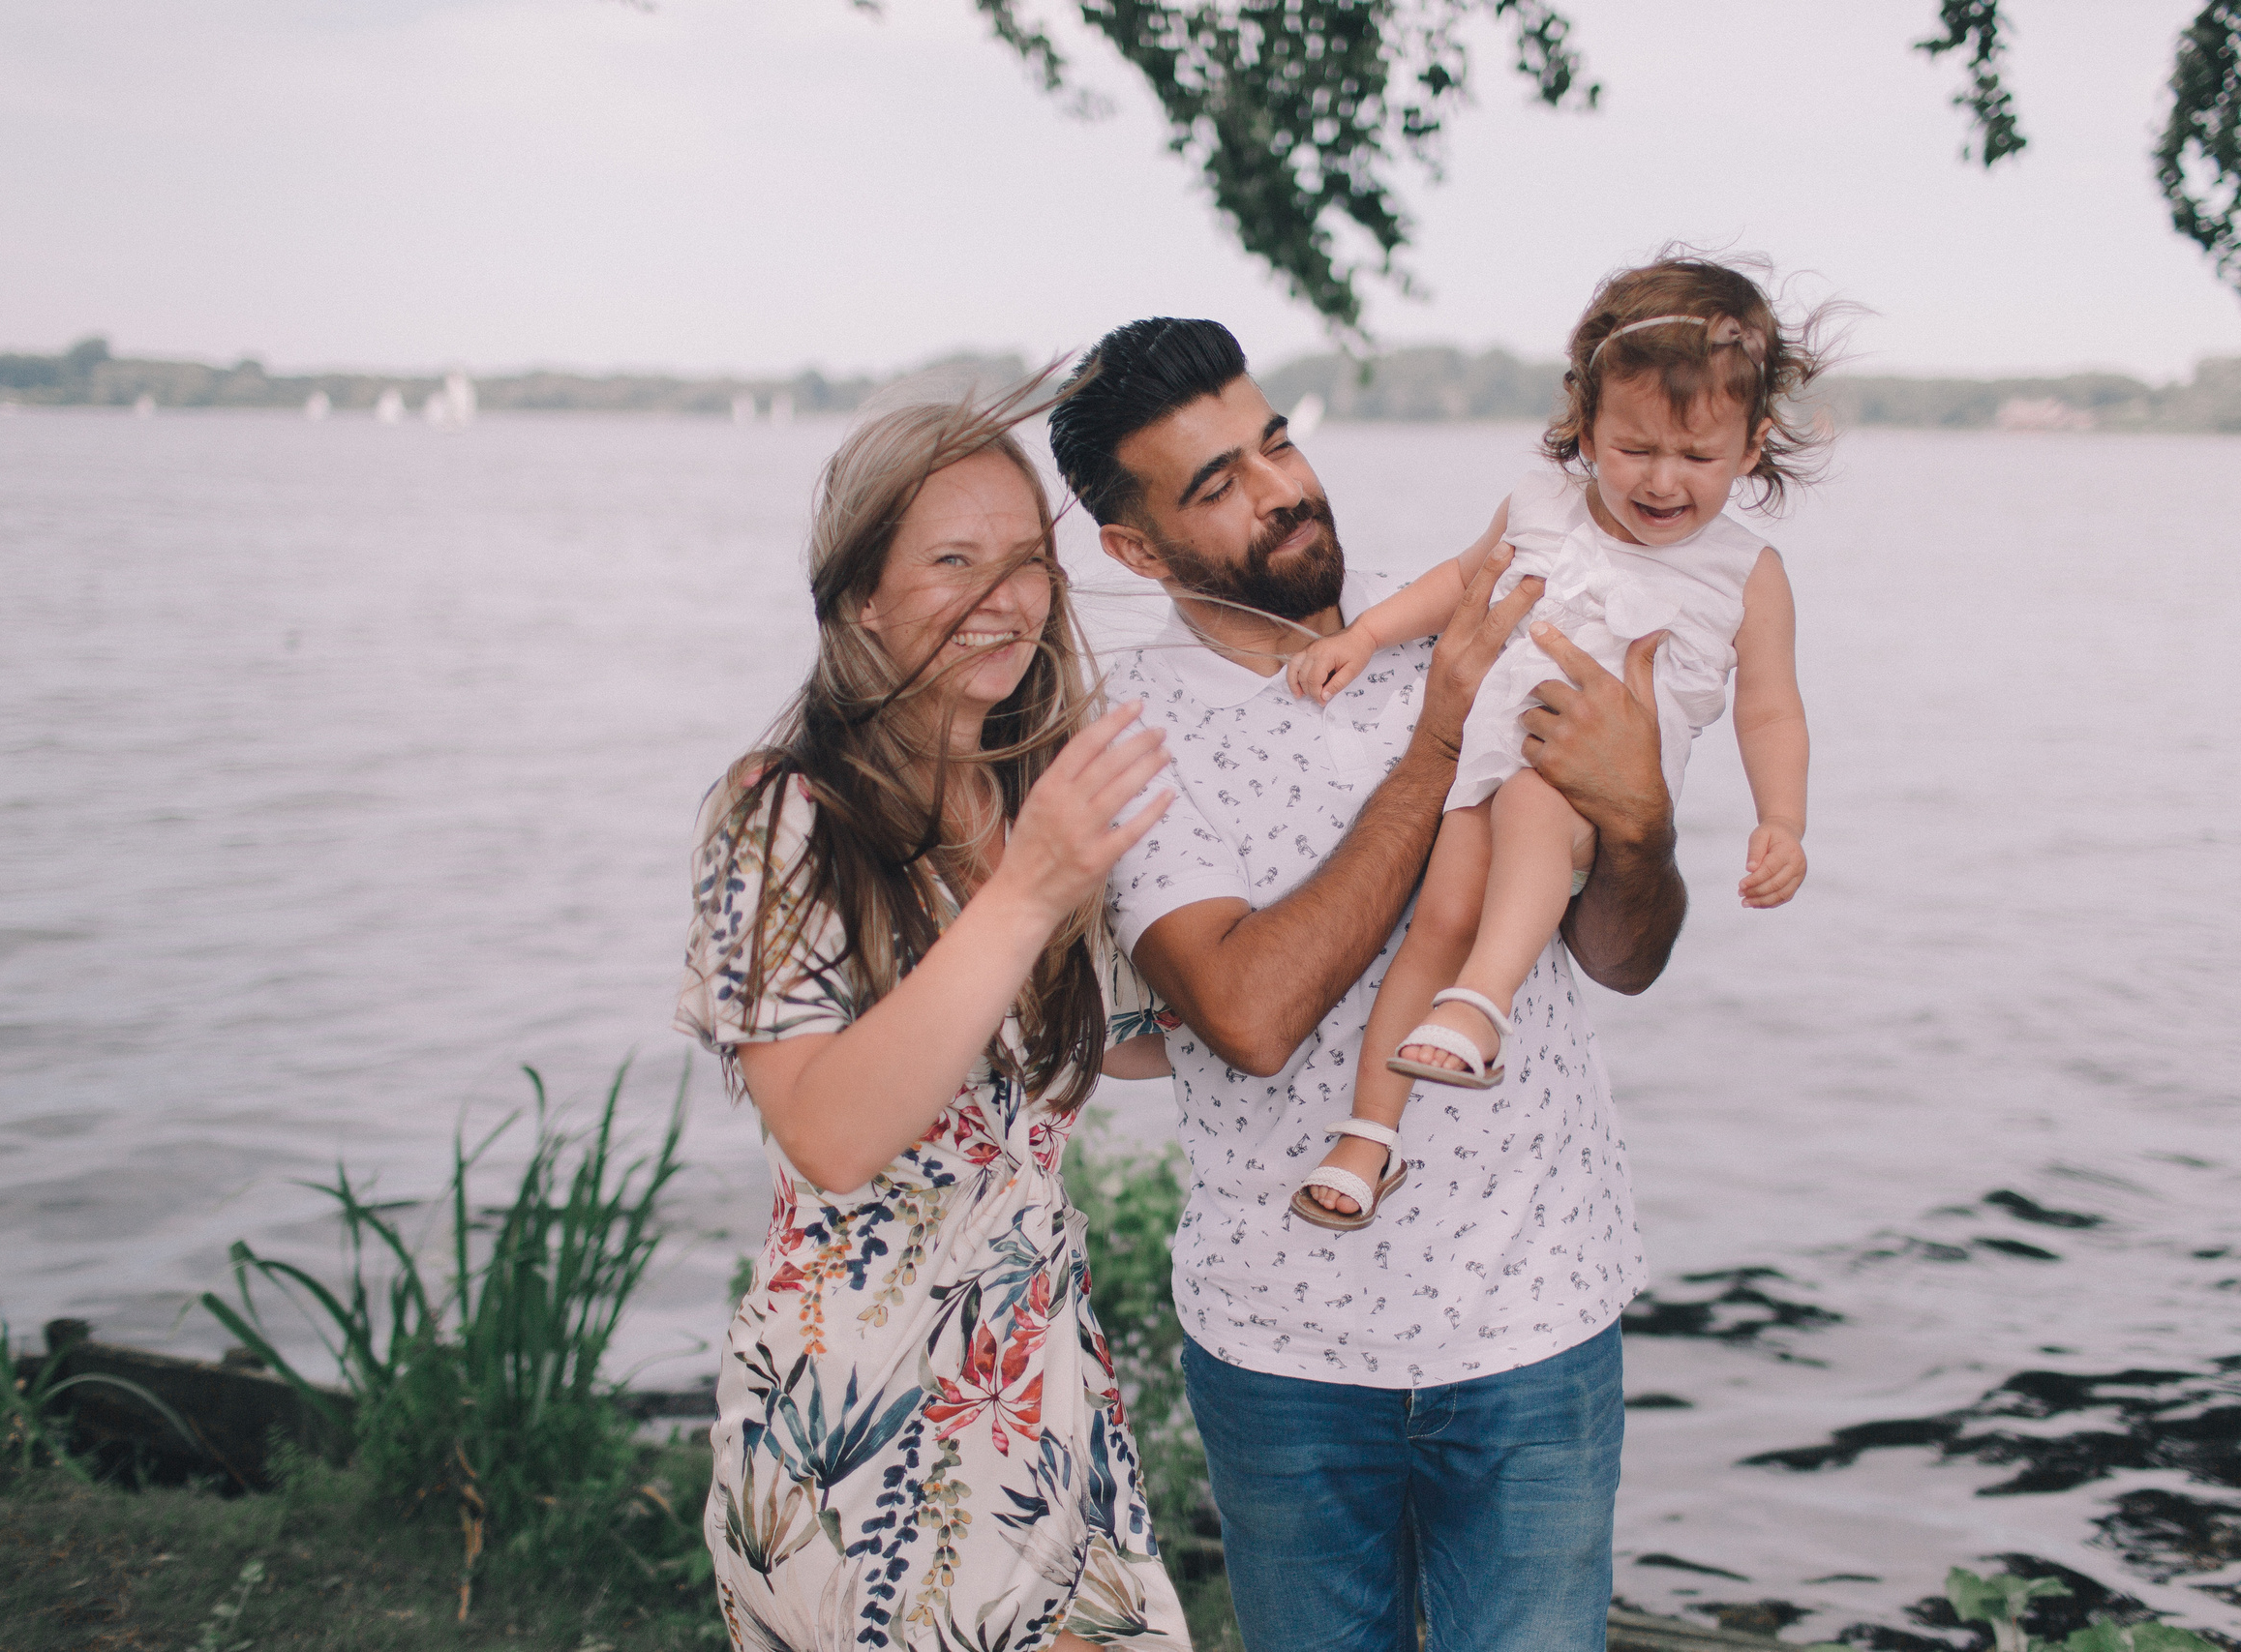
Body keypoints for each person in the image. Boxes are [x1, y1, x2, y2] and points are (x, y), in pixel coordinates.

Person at [1045, 317, 1688, 1652]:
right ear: (1134, 548)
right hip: (1288, 1352)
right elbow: (1251, 1011)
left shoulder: (1482, 612)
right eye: (1216, 483)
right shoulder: (1125, 740)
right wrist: (1441, 733)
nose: (1280, 488)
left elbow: (1621, 956)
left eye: (1274, 440)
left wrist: (1641, 827)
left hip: (1536, 1310)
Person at [675, 391, 1193, 1652]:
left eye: (1025, 559)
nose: (1003, 597)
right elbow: (830, 1130)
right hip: (865, 1436)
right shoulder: (785, 815)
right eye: (953, 559)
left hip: (1044, 1403)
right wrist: (1029, 887)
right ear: (861, 593)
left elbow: (1135, 1036)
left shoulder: (1031, 783)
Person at [1285, 255, 1828, 1224]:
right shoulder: (1538, 503)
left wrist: (1780, 819)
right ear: (1583, 428)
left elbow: (1770, 708)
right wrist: (1363, 634)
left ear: (1751, 448)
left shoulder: (1746, 572)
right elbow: (1459, 578)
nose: (1663, 481)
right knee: (1440, 917)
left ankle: (1480, 1008)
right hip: (1489, 756)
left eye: (1697, 458)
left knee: (1538, 803)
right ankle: (1369, 1138)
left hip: (1598, 788)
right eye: (1633, 449)